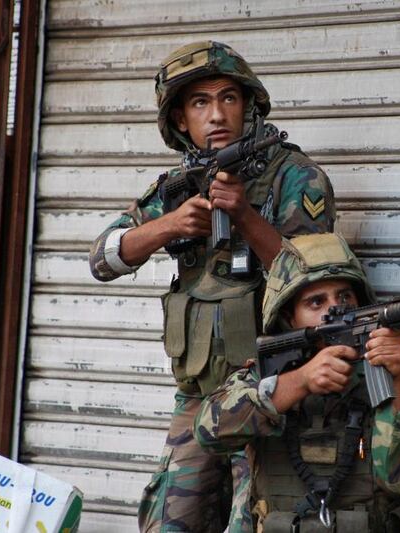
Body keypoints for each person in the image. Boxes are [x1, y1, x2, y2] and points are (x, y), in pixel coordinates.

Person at [88, 41, 336, 532]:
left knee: (257, 521)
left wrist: (243, 215)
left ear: (248, 105)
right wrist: (170, 225)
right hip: (198, 395)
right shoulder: (181, 184)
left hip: (270, 387)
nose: (217, 114)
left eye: (228, 98)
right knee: (169, 522)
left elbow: (315, 280)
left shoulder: (295, 176)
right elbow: (102, 258)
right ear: (181, 120)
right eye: (200, 103)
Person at [195, 233, 400, 532]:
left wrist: (398, 381)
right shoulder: (260, 380)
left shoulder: (392, 387)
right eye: (316, 302)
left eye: (345, 297)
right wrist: (300, 381)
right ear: (289, 317)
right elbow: (208, 432)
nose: (335, 310)